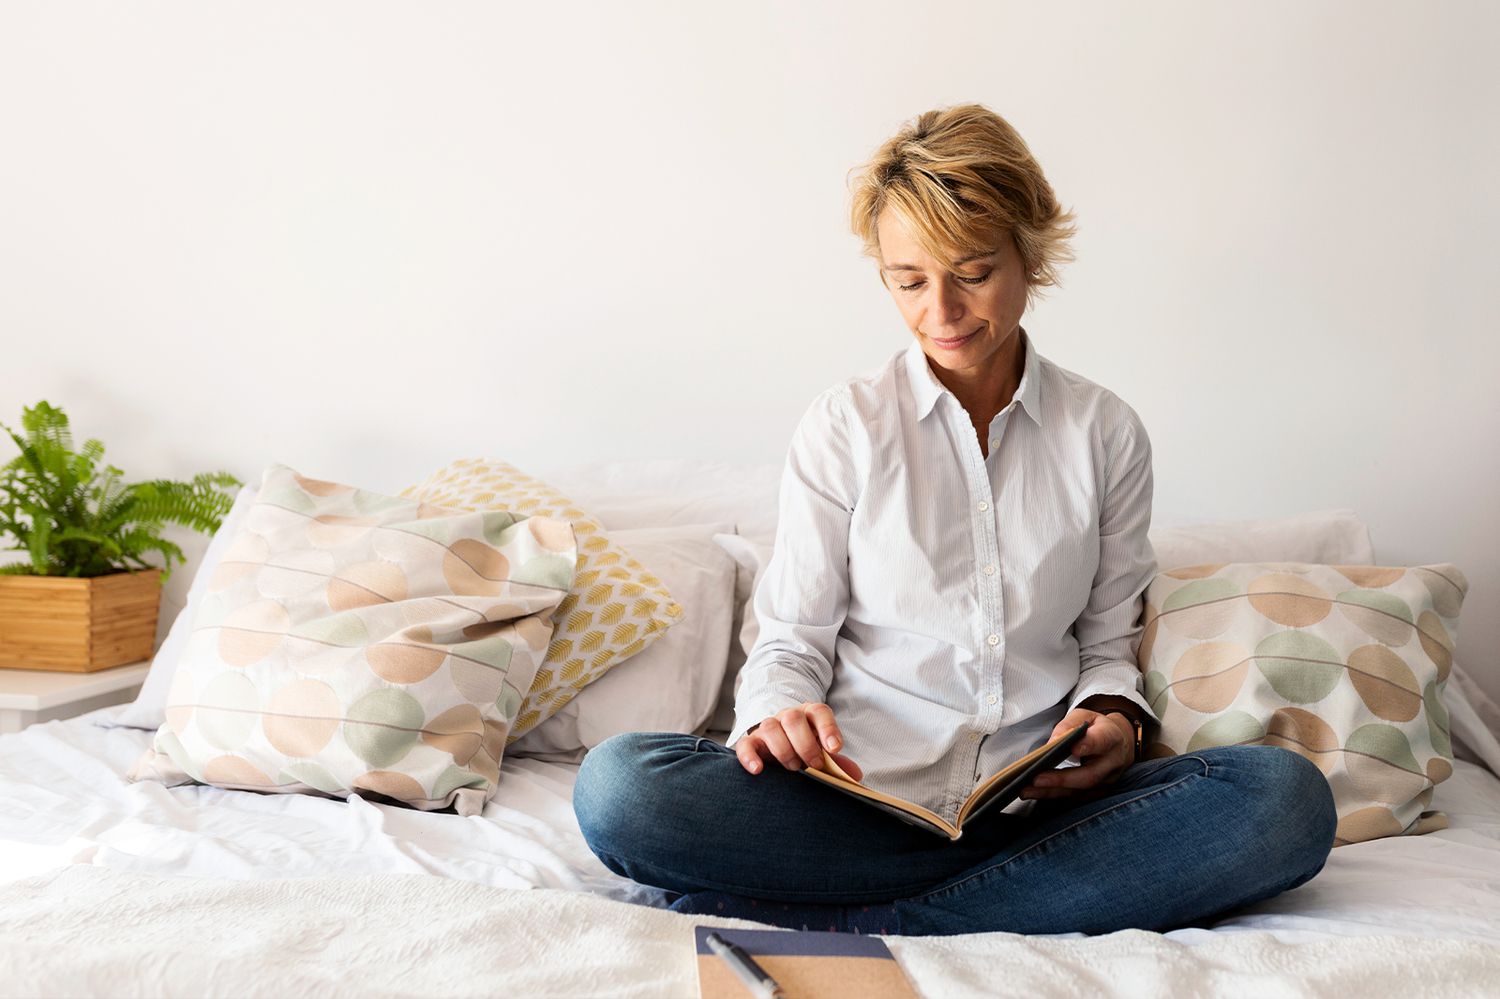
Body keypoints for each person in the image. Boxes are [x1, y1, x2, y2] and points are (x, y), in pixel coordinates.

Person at [572, 103, 1336, 937]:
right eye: (909, 281)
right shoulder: (846, 425)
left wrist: (1114, 719)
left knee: (1286, 800)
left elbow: (1108, 646)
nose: (941, 310)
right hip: (849, 806)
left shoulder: (1105, 431)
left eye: (972, 272)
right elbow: (789, 640)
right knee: (619, 787)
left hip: (1037, 815)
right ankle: (1002, 907)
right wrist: (776, 717)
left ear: (1029, 256)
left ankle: (880, 911)